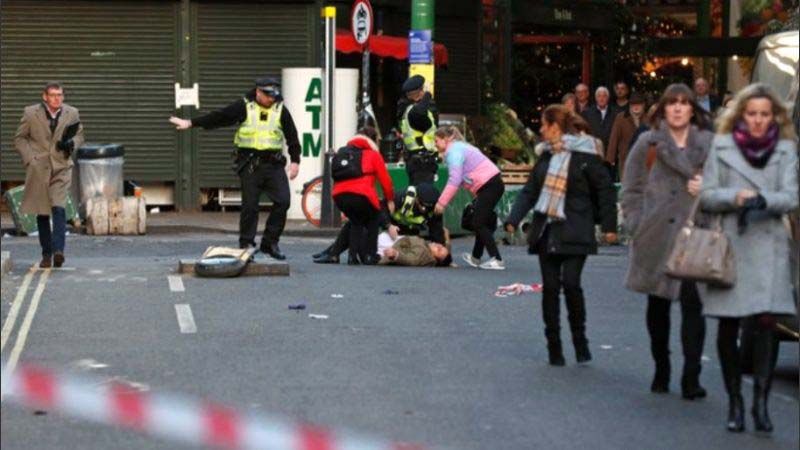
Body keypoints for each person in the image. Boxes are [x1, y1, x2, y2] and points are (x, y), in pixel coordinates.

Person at [700, 83, 798, 433]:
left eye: (764, 115)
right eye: (752, 114)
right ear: (742, 115)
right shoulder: (722, 148)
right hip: (732, 247)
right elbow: (708, 196)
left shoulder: (785, 151)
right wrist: (736, 196)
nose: (758, 121)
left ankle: (760, 401)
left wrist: (763, 200)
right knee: (729, 327)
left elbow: (791, 197)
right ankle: (735, 402)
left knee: (767, 325)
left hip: (769, 247)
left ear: (774, 118)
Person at [504, 105, 617, 366]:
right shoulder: (544, 157)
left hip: (576, 228)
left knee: (572, 284)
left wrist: (609, 227)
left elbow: (605, 190)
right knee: (550, 288)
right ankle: (553, 346)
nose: (541, 130)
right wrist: (513, 219)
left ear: (556, 126)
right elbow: (530, 191)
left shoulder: (585, 155)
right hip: (547, 230)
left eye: (544, 125)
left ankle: (580, 340)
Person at [621, 83, 713, 399]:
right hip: (656, 235)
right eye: (671, 103)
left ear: (692, 109)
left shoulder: (709, 145)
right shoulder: (648, 143)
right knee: (657, 306)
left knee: (693, 305)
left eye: (683, 103)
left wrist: (708, 189)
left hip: (694, 234)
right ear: (662, 109)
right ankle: (662, 367)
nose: (677, 108)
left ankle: (691, 376)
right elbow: (630, 189)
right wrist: (637, 224)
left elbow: (726, 186)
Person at [169, 77, 300, 260]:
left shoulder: (280, 110)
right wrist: (191, 123)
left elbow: (292, 136)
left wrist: (295, 161)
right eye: (268, 96)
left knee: (283, 201)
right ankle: (246, 244)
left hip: (273, 164)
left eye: (274, 96)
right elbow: (220, 117)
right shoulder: (245, 106)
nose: (272, 99)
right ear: (258, 93)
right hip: (250, 164)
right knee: (250, 206)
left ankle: (270, 243)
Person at [14, 82, 84, 268]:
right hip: (39, 168)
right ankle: (46, 254)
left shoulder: (72, 113)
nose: (57, 98)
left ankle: (58, 251)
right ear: (44, 96)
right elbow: (20, 138)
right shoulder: (30, 113)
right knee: (42, 212)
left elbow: (79, 135)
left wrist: (71, 144)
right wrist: (30, 159)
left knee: (59, 207)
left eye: (60, 95)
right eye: (53, 95)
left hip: (62, 165)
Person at [313, 182, 445, 264]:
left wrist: (445, 258)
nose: (424, 210)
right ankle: (331, 253)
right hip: (392, 227)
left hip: (399, 239)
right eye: (422, 206)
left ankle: (332, 253)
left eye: (428, 207)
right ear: (416, 199)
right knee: (358, 221)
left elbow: (437, 231)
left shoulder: (433, 210)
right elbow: (381, 209)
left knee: (355, 224)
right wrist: (388, 225)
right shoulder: (405, 196)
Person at [433, 126, 505, 270]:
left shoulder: (454, 152)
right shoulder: (458, 148)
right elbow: (461, 179)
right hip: (492, 184)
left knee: (478, 222)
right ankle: (476, 258)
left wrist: (441, 203)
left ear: (446, 140)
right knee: (481, 221)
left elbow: (455, 180)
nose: (435, 144)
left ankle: (497, 260)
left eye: (436, 140)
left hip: (489, 186)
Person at [332, 127, 395, 265]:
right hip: (362, 195)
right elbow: (386, 181)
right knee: (374, 217)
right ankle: (369, 256)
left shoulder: (343, 152)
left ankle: (352, 257)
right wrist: (390, 199)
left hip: (339, 196)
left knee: (356, 221)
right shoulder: (372, 155)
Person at [397, 74, 440, 184]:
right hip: (423, 163)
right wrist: (427, 96)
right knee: (424, 196)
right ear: (421, 91)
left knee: (415, 194)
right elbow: (419, 113)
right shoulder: (415, 112)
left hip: (413, 160)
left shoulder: (405, 110)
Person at [606, 92, 648, 181]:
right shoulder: (621, 118)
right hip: (625, 159)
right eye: (633, 104)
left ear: (643, 105)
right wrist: (610, 158)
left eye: (638, 104)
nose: (636, 107)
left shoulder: (648, 118)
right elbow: (614, 137)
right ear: (629, 105)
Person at [581, 86, 617, 152]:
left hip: (610, 151)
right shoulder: (587, 113)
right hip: (592, 150)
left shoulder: (615, 114)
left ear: (608, 98)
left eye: (604, 96)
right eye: (599, 96)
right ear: (596, 98)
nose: (601, 99)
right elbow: (583, 133)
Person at [380, 234, 452, 267]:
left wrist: (396, 255)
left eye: (438, 250)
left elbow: (411, 260)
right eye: (441, 246)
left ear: (435, 258)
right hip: (390, 242)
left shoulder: (423, 252)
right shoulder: (426, 247)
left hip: (385, 247)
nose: (438, 245)